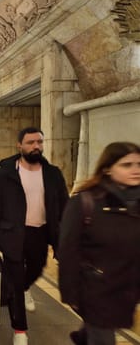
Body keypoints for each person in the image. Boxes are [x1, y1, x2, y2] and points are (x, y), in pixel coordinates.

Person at [0, 127, 69, 345]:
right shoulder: (6, 174)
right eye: (30, 142)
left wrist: (64, 234)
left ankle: (24, 287)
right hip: (11, 233)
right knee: (14, 279)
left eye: (39, 142)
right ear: (19, 145)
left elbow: (64, 206)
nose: (36, 146)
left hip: (39, 233)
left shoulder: (53, 174)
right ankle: (19, 329)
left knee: (36, 268)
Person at [58, 142, 140, 345]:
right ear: (108, 168)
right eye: (126, 165)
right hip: (95, 289)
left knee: (96, 333)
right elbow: (68, 250)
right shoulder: (86, 202)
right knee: (103, 338)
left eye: (139, 164)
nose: (136, 170)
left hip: (127, 287)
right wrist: (70, 293)